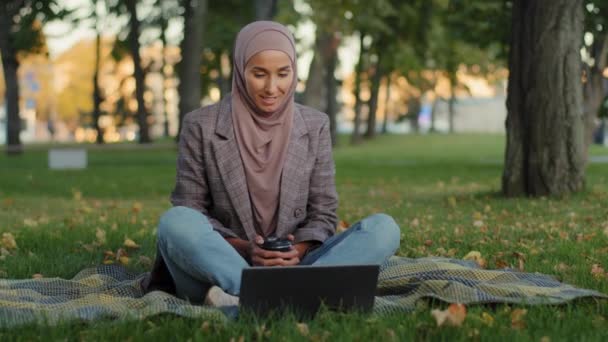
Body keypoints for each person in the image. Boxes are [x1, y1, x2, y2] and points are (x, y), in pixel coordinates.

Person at [142, 21, 401, 306]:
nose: (271, 87)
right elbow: (191, 209)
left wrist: (299, 250)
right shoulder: (201, 125)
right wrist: (246, 250)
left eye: (283, 73)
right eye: (259, 74)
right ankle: (291, 297)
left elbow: (324, 213)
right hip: (223, 264)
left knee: (383, 229)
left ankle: (264, 299)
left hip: (298, 265)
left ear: (294, 73)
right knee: (175, 221)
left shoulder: (314, 125)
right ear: (241, 71)